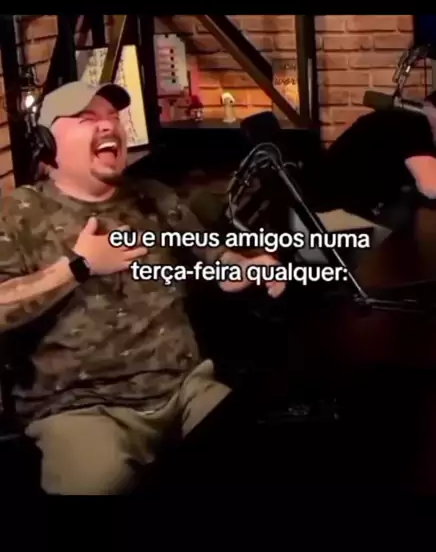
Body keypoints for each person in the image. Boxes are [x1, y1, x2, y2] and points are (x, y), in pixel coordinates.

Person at [0, 81, 286, 495]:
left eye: (112, 118)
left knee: (265, 454)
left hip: (184, 389)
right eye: (87, 118)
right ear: (46, 143)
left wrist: (243, 266)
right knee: (100, 483)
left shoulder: (153, 196)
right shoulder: (17, 213)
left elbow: (212, 258)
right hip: (81, 409)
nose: (108, 126)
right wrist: (77, 267)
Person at [324, 82, 436, 218]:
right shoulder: (414, 125)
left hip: (342, 209)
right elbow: (434, 187)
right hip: (336, 213)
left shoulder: (403, 119)